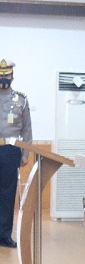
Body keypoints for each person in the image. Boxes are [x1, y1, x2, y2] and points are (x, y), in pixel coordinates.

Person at [0, 59, 31, 248]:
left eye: (6, 75)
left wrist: (25, 153)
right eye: (1, 75)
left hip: (10, 150)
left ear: (12, 77)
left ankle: (4, 235)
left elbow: (27, 129)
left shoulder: (21, 99)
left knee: (7, 194)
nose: (4, 79)